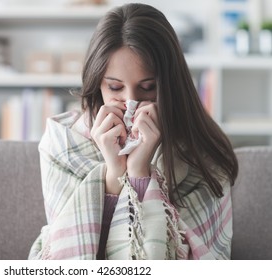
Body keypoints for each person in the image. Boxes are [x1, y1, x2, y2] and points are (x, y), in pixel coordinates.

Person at [29, 3, 238, 260]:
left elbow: (194, 259)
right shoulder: (63, 142)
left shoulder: (200, 149)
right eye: (115, 88)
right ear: (97, 84)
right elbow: (74, 253)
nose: (131, 103)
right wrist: (114, 174)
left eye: (148, 87)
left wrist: (140, 172)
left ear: (170, 85)